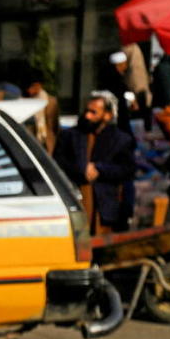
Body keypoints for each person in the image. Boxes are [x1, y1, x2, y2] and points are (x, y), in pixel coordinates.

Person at [54, 91, 136, 235]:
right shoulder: (70, 136)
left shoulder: (121, 140)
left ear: (107, 115)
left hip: (104, 205)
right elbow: (57, 163)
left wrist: (100, 169)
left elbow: (127, 169)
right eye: (87, 111)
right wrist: (80, 170)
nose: (87, 116)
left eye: (93, 112)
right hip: (76, 199)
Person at [21, 68, 61, 154]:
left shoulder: (51, 101)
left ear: (39, 85)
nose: (29, 90)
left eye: (32, 86)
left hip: (47, 144)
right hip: (30, 143)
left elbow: (55, 126)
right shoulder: (23, 101)